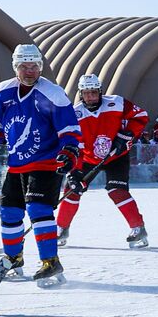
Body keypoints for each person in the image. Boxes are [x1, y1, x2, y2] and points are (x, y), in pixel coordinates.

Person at [0, 43, 81, 287]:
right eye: (24, 66)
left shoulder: (52, 93)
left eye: (34, 66)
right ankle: (13, 259)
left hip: (47, 163)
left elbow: (70, 130)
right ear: (15, 67)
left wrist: (69, 151)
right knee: (8, 212)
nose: (30, 71)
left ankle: (50, 261)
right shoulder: (2, 93)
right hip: (17, 163)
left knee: (38, 209)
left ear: (40, 67)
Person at [57, 73, 150, 249]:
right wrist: (74, 172)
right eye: (86, 93)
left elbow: (141, 116)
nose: (90, 96)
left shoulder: (117, 102)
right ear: (80, 94)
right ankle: (61, 228)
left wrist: (126, 135)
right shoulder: (75, 114)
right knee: (72, 189)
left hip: (116, 155)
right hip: (88, 158)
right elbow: (74, 146)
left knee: (117, 190)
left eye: (94, 92)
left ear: (100, 91)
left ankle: (138, 228)